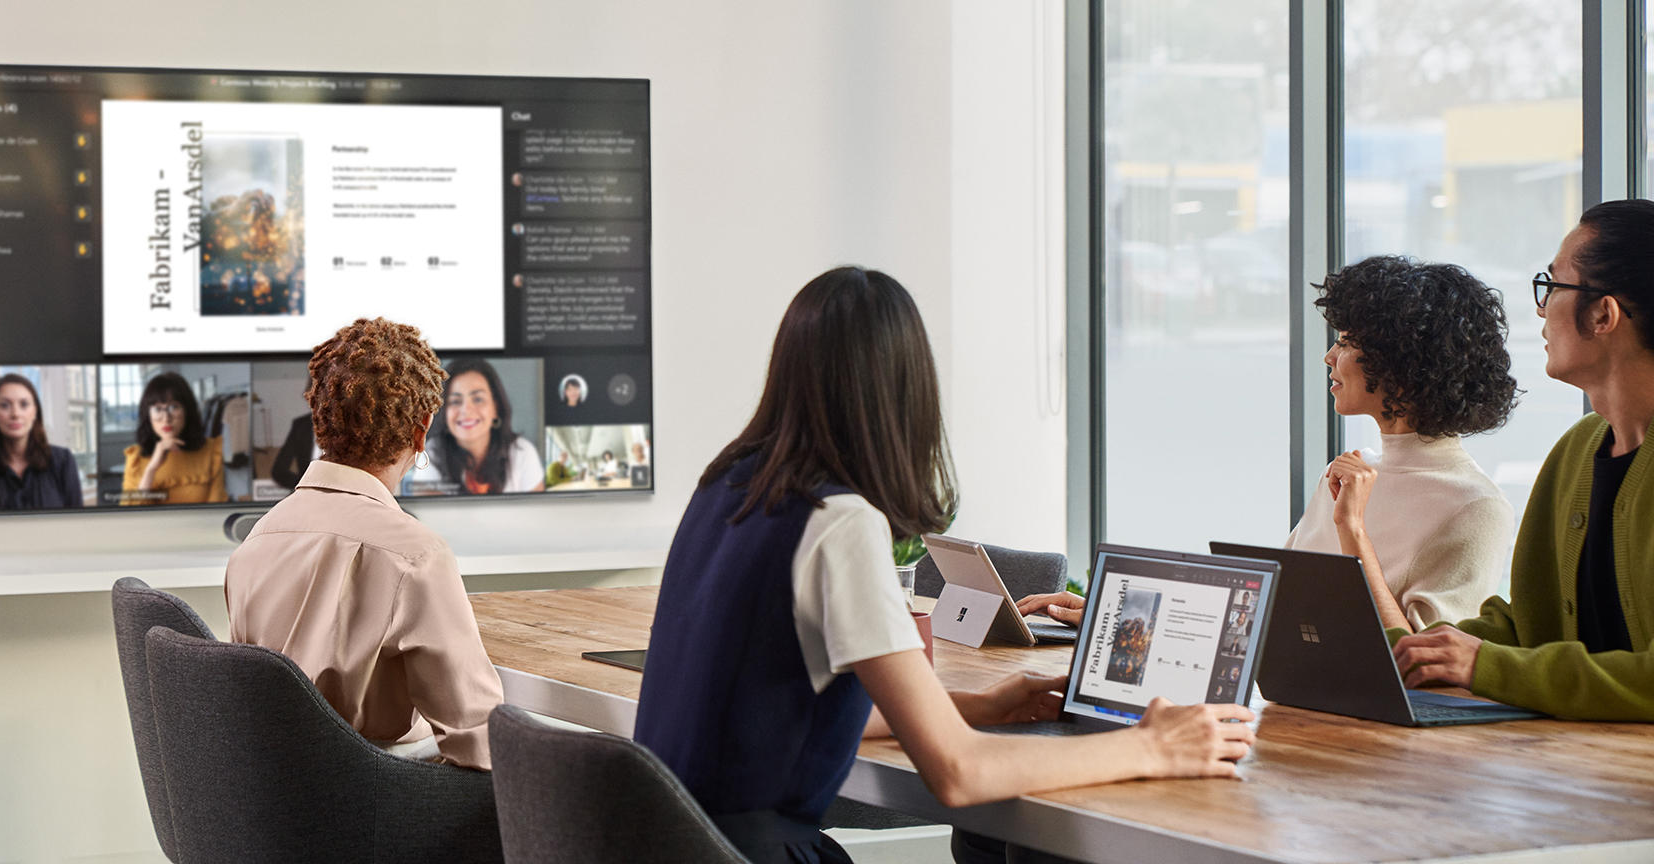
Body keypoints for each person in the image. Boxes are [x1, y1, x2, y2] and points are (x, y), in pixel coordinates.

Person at [633, 267, 1253, 864]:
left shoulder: (729, 485)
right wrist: (1154, 745)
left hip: (673, 844)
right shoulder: (839, 522)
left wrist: (980, 707)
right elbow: (960, 773)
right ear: (904, 392)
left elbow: (781, 718)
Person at [1392, 201, 1654, 720]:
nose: (1541, 309)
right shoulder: (1577, 450)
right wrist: (1427, 652)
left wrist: (1488, 665)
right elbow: (1530, 625)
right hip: (1577, 770)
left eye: (1553, 286)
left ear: (1603, 314)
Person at [226, 317, 503, 766]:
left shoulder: (254, 543)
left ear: (320, 420)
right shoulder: (415, 555)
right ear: (422, 429)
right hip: (379, 804)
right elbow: (479, 741)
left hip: (277, 804)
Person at [1287, 256, 1519, 629]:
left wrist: (1352, 528)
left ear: (1401, 364)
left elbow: (1422, 666)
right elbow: (1275, 609)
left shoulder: (1478, 508)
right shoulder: (1346, 475)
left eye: (1346, 342)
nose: (1329, 357)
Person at [0, 373, 84, 510]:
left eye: (24, 404)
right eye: (4, 405)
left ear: (35, 412)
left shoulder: (63, 462)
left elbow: (76, 524)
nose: (15, 414)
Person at [421, 359, 544, 494]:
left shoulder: (523, 452)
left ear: (495, 407)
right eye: (455, 401)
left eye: (478, 399)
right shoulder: (430, 454)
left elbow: (537, 513)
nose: (466, 410)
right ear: (444, 412)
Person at [119, 373, 226, 505]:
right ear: (148, 414)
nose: (166, 418)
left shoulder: (211, 450)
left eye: (173, 407)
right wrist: (151, 469)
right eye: (158, 409)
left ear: (187, 410)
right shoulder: (135, 458)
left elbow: (217, 509)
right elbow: (130, 518)